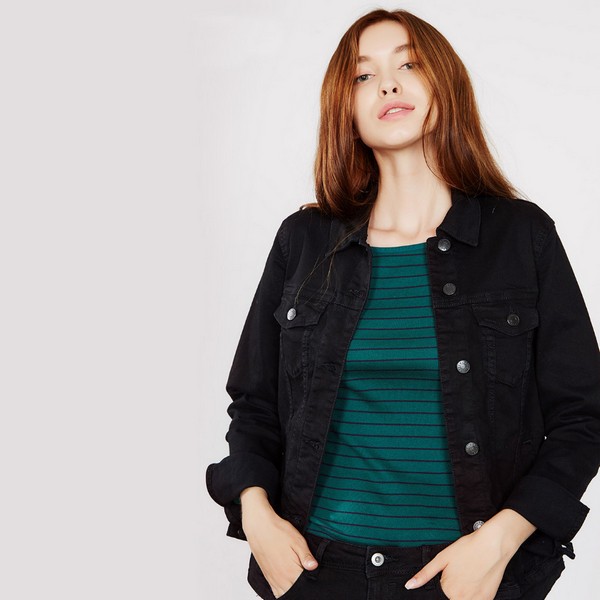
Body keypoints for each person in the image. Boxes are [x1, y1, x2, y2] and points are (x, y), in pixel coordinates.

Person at [205, 8, 600, 600]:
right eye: (363, 75)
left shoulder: (522, 236)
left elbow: (582, 417)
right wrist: (256, 516)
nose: (387, 84)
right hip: (316, 572)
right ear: (345, 108)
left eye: (408, 65)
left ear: (445, 82)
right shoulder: (302, 241)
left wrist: (499, 543)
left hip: (466, 577)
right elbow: (255, 405)